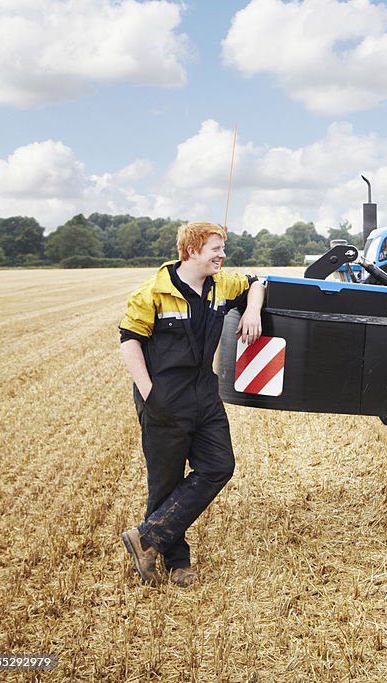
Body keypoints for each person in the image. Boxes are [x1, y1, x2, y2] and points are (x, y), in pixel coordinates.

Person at [118, 221, 265, 587]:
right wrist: (150, 392)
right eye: (215, 248)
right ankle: (177, 562)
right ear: (192, 250)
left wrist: (252, 310)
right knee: (165, 483)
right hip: (164, 397)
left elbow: (257, 281)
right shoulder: (152, 293)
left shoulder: (222, 286)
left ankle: (147, 538)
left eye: (223, 248)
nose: (222, 254)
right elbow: (129, 341)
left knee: (219, 465)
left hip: (204, 393)